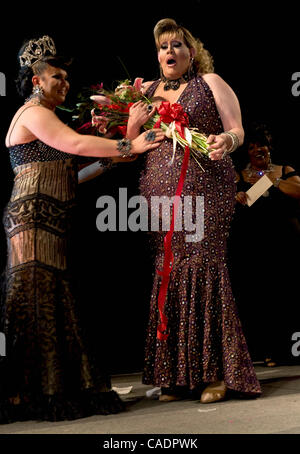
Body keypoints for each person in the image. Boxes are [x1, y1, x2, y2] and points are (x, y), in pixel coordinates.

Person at [0, 35, 164, 424]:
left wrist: (117, 154)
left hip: (50, 218)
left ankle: (43, 388)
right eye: (57, 76)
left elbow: (73, 171)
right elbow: (73, 143)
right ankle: (27, 393)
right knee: (32, 299)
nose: (65, 83)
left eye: (66, 77)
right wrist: (131, 146)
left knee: (50, 298)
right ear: (36, 80)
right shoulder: (32, 112)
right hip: (34, 218)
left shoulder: (44, 117)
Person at [126, 18, 261, 404]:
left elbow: (237, 131)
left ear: (191, 53)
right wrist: (131, 128)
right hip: (157, 191)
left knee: (203, 265)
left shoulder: (211, 83)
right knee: (167, 269)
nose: (169, 52)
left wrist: (226, 141)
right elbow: (125, 147)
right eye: (162, 47)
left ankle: (216, 373)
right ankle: (175, 376)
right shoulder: (143, 92)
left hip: (207, 186)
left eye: (176, 45)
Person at [229, 123, 300, 367]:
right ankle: (261, 351)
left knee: (285, 296)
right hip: (253, 247)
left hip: (285, 243)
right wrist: (240, 196)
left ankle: (284, 350)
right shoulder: (239, 175)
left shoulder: (284, 169)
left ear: (270, 148)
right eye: (252, 146)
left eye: (262, 145)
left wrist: (271, 180)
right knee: (257, 298)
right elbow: (243, 201)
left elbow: (298, 191)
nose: (258, 149)